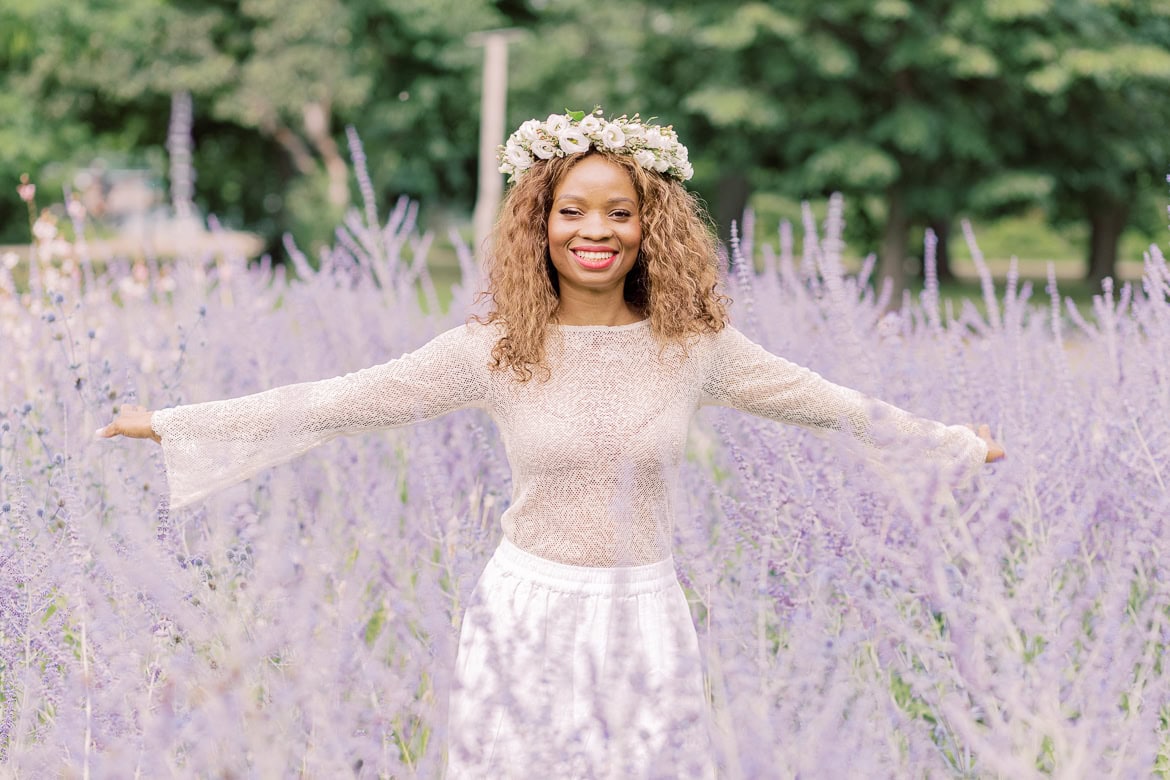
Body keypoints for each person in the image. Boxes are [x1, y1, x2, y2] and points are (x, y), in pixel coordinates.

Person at [99, 109, 1005, 778]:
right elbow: (340, 401)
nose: (596, 232)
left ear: (651, 225)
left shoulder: (696, 351)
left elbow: (833, 405)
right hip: (525, 615)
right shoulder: (495, 351)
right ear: (541, 223)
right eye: (573, 212)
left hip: (644, 617)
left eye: (619, 213)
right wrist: (177, 423)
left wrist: (951, 443)